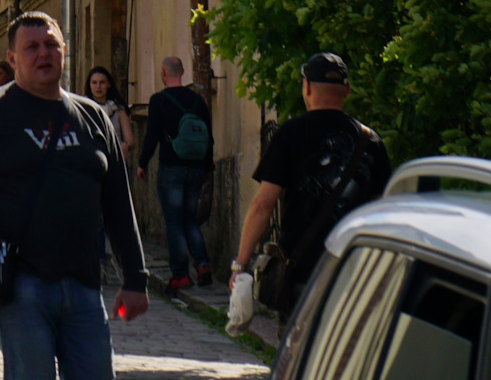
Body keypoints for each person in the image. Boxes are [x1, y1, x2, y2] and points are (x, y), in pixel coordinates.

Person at [0, 12, 148, 380]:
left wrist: (135, 276)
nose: (43, 54)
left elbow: (117, 202)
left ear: (64, 52)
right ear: (13, 59)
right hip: (20, 285)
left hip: (84, 283)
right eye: (32, 47)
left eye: (51, 45)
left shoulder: (92, 119)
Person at [233, 52, 391, 321]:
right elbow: (383, 212)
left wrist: (241, 264)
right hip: (353, 274)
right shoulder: (370, 142)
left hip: (301, 274)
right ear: (348, 90)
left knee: (296, 357)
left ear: (306, 87)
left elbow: (263, 205)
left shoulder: (290, 134)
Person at [137, 55, 214, 290]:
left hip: (171, 167)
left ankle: (180, 274)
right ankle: (202, 263)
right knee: (190, 219)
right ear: (183, 72)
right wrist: (208, 167)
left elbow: (151, 136)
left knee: (173, 222)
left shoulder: (159, 100)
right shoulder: (197, 101)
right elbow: (208, 137)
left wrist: (143, 163)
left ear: (163, 73)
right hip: (196, 168)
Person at [85, 66, 134, 154]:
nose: (98, 87)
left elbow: (130, 140)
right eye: (94, 83)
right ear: (89, 85)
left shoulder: (118, 109)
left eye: (102, 82)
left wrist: (125, 145)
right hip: (91, 158)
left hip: (114, 157)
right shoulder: (83, 107)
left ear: (109, 84)